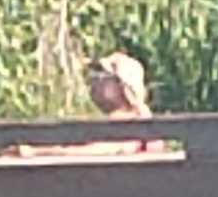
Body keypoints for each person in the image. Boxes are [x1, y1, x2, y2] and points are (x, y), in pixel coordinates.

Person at [10, 50, 162, 157]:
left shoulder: (133, 125)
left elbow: (96, 154)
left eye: (104, 75)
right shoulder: (137, 122)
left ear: (123, 86)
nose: (95, 80)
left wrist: (37, 153)